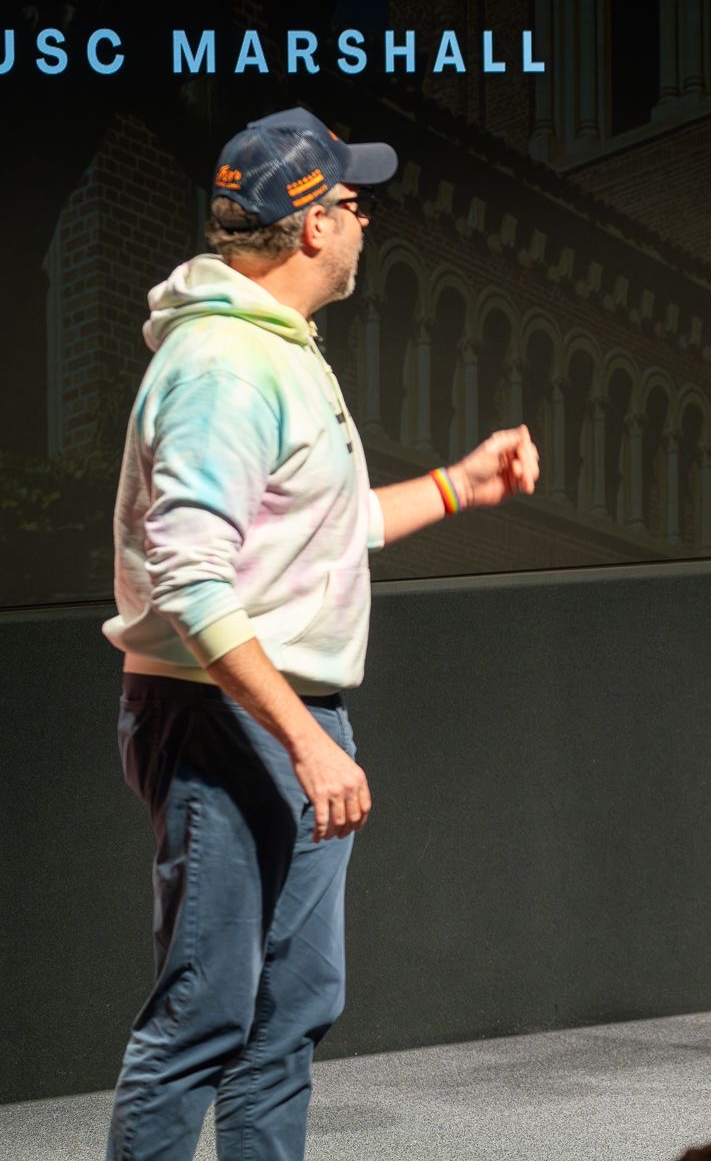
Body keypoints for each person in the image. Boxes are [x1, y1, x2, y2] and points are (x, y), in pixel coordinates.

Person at [101, 108, 541, 1161]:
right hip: (227, 716)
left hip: (273, 714)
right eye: (350, 205)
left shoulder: (276, 351)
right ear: (307, 227)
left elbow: (315, 534)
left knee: (287, 1017)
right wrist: (305, 741)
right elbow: (194, 583)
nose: (363, 223)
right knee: (204, 1014)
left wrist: (457, 485)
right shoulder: (223, 366)